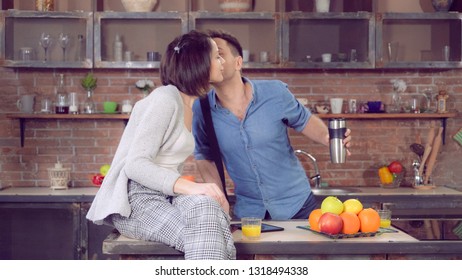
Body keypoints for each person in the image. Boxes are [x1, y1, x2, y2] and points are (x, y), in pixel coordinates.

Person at [86, 30, 236, 260]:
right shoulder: (165, 99)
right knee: (208, 234)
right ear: (199, 62)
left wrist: (212, 200)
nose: (222, 61)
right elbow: (135, 165)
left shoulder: (192, 104)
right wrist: (195, 188)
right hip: (136, 203)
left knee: (208, 210)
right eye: (217, 56)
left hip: (166, 197)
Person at [192, 30, 352, 221]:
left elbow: (304, 120)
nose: (211, 60)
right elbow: (204, 156)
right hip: (250, 214)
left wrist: (327, 137)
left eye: (218, 54)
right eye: (208, 55)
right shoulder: (202, 108)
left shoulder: (274, 92)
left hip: (297, 205)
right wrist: (218, 202)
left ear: (238, 63)